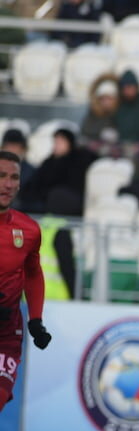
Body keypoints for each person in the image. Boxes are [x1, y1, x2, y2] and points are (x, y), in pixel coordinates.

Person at [0, 151, 51, 413]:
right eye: (1, 176)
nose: (7, 184)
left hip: (6, 333)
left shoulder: (29, 230)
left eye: (13, 178)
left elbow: (33, 273)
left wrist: (36, 320)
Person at [21, 128, 96, 217]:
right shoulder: (49, 162)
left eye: (60, 142)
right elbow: (36, 182)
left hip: (64, 207)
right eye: (55, 142)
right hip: (42, 203)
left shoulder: (79, 161)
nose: (57, 145)